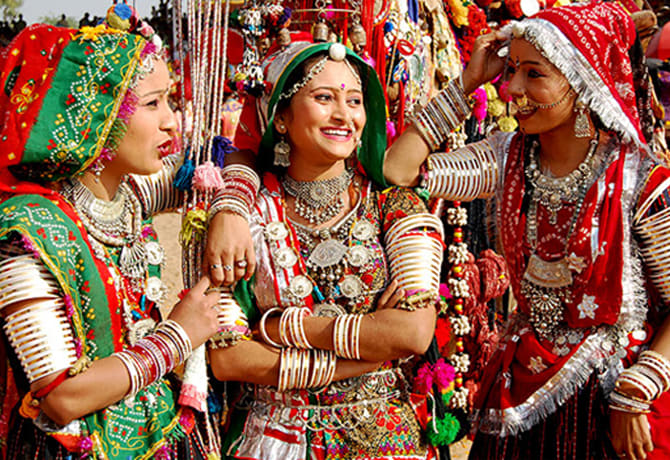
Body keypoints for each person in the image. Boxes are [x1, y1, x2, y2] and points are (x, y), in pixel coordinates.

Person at [384, 2, 670, 459]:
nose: (513, 88)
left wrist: (639, 387)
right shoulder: (506, 158)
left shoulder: (642, 181)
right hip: (521, 392)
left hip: (611, 400)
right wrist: (466, 84)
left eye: (533, 74)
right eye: (512, 70)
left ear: (582, 80)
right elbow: (399, 169)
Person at [205, 41, 444, 459]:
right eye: (323, 98)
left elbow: (413, 333)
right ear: (281, 116)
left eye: (354, 101)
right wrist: (364, 346)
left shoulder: (394, 206)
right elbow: (228, 356)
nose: (344, 116)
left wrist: (284, 328)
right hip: (273, 440)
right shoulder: (245, 217)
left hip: (385, 440)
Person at [0, 20, 221, 459]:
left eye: (171, 102)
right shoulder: (27, 233)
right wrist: (178, 336)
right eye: (153, 104)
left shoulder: (127, 193)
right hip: (80, 447)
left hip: (157, 430)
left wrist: (231, 210)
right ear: (96, 114)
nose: (172, 123)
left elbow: (215, 160)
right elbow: (62, 398)